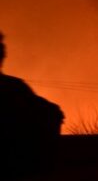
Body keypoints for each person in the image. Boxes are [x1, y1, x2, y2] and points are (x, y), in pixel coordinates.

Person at [0, 31, 64, 180]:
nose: (4, 53)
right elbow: (51, 113)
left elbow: (50, 111)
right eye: (1, 49)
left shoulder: (14, 87)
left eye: (2, 48)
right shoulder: (13, 87)